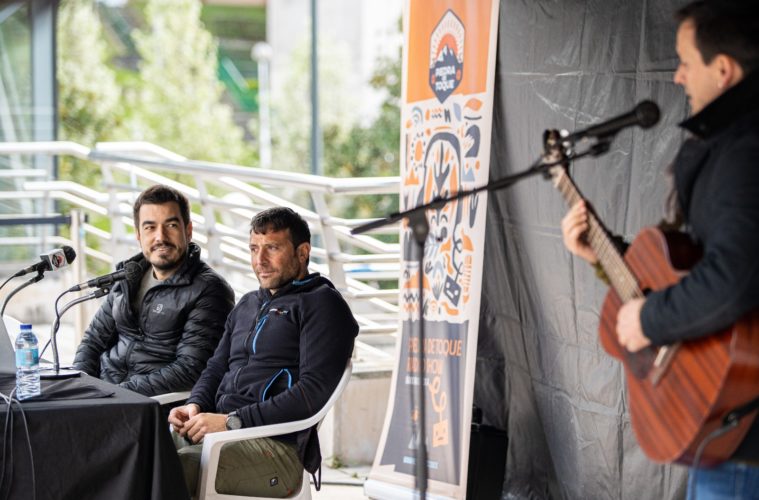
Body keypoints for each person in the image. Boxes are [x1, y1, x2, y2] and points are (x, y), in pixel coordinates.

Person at [561, 2, 759, 498]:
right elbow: (692, 266)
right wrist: (603, 255)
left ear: (723, 69)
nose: (676, 76)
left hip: (745, 438)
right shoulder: (730, 145)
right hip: (729, 431)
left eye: (685, 61)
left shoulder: (744, 152)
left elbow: (733, 278)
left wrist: (651, 320)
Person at [168, 207, 358, 498]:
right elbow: (216, 368)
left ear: (303, 252)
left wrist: (232, 421)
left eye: (272, 248)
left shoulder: (322, 305)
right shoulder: (246, 304)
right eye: (254, 248)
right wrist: (194, 404)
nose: (260, 260)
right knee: (138, 455)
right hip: (221, 432)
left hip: (275, 448)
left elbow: (311, 394)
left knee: (169, 470)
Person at [73, 185, 235, 396]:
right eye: (150, 227)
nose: (161, 237)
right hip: (103, 394)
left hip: (154, 405)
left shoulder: (209, 290)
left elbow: (190, 370)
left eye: (171, 225)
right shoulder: (128, 275)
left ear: (188, 230)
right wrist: (79, 384)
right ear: (139, 234)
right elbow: (93, 341)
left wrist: (112, 394)